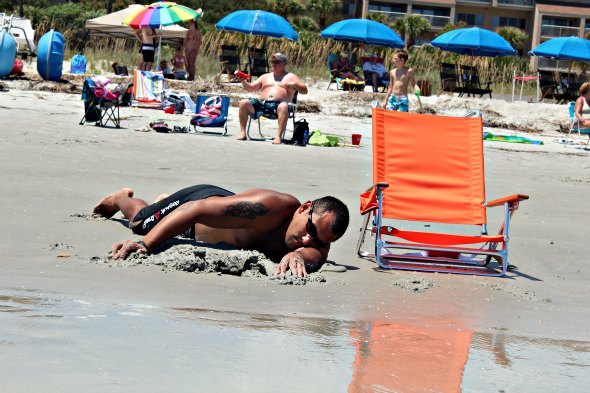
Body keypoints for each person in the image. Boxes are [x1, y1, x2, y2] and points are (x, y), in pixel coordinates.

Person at [93, 185, 350, 278]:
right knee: (140, 224)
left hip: (211, 221)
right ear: (305, 208)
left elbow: (315, 254)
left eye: (316, 240)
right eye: (309, 229)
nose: (306, 240)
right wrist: (147, 245)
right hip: (197, 206)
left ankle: (163, 202)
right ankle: (121, 198)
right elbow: (197, 208)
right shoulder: (268, 207)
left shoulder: (319, 238)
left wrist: (301, 256)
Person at [236, 53, 308, 144]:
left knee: (283, 106)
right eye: (272, 62)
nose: (274, 64)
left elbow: (305, 91)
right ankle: (243, 133)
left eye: (277, 62)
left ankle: (278, 137)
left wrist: (294, 85)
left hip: (279, 106)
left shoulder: (291, 77)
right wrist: (243, 81)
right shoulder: (265, 76)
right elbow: (251, 88)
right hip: (262, 104)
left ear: (284, 64)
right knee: (243, 102)